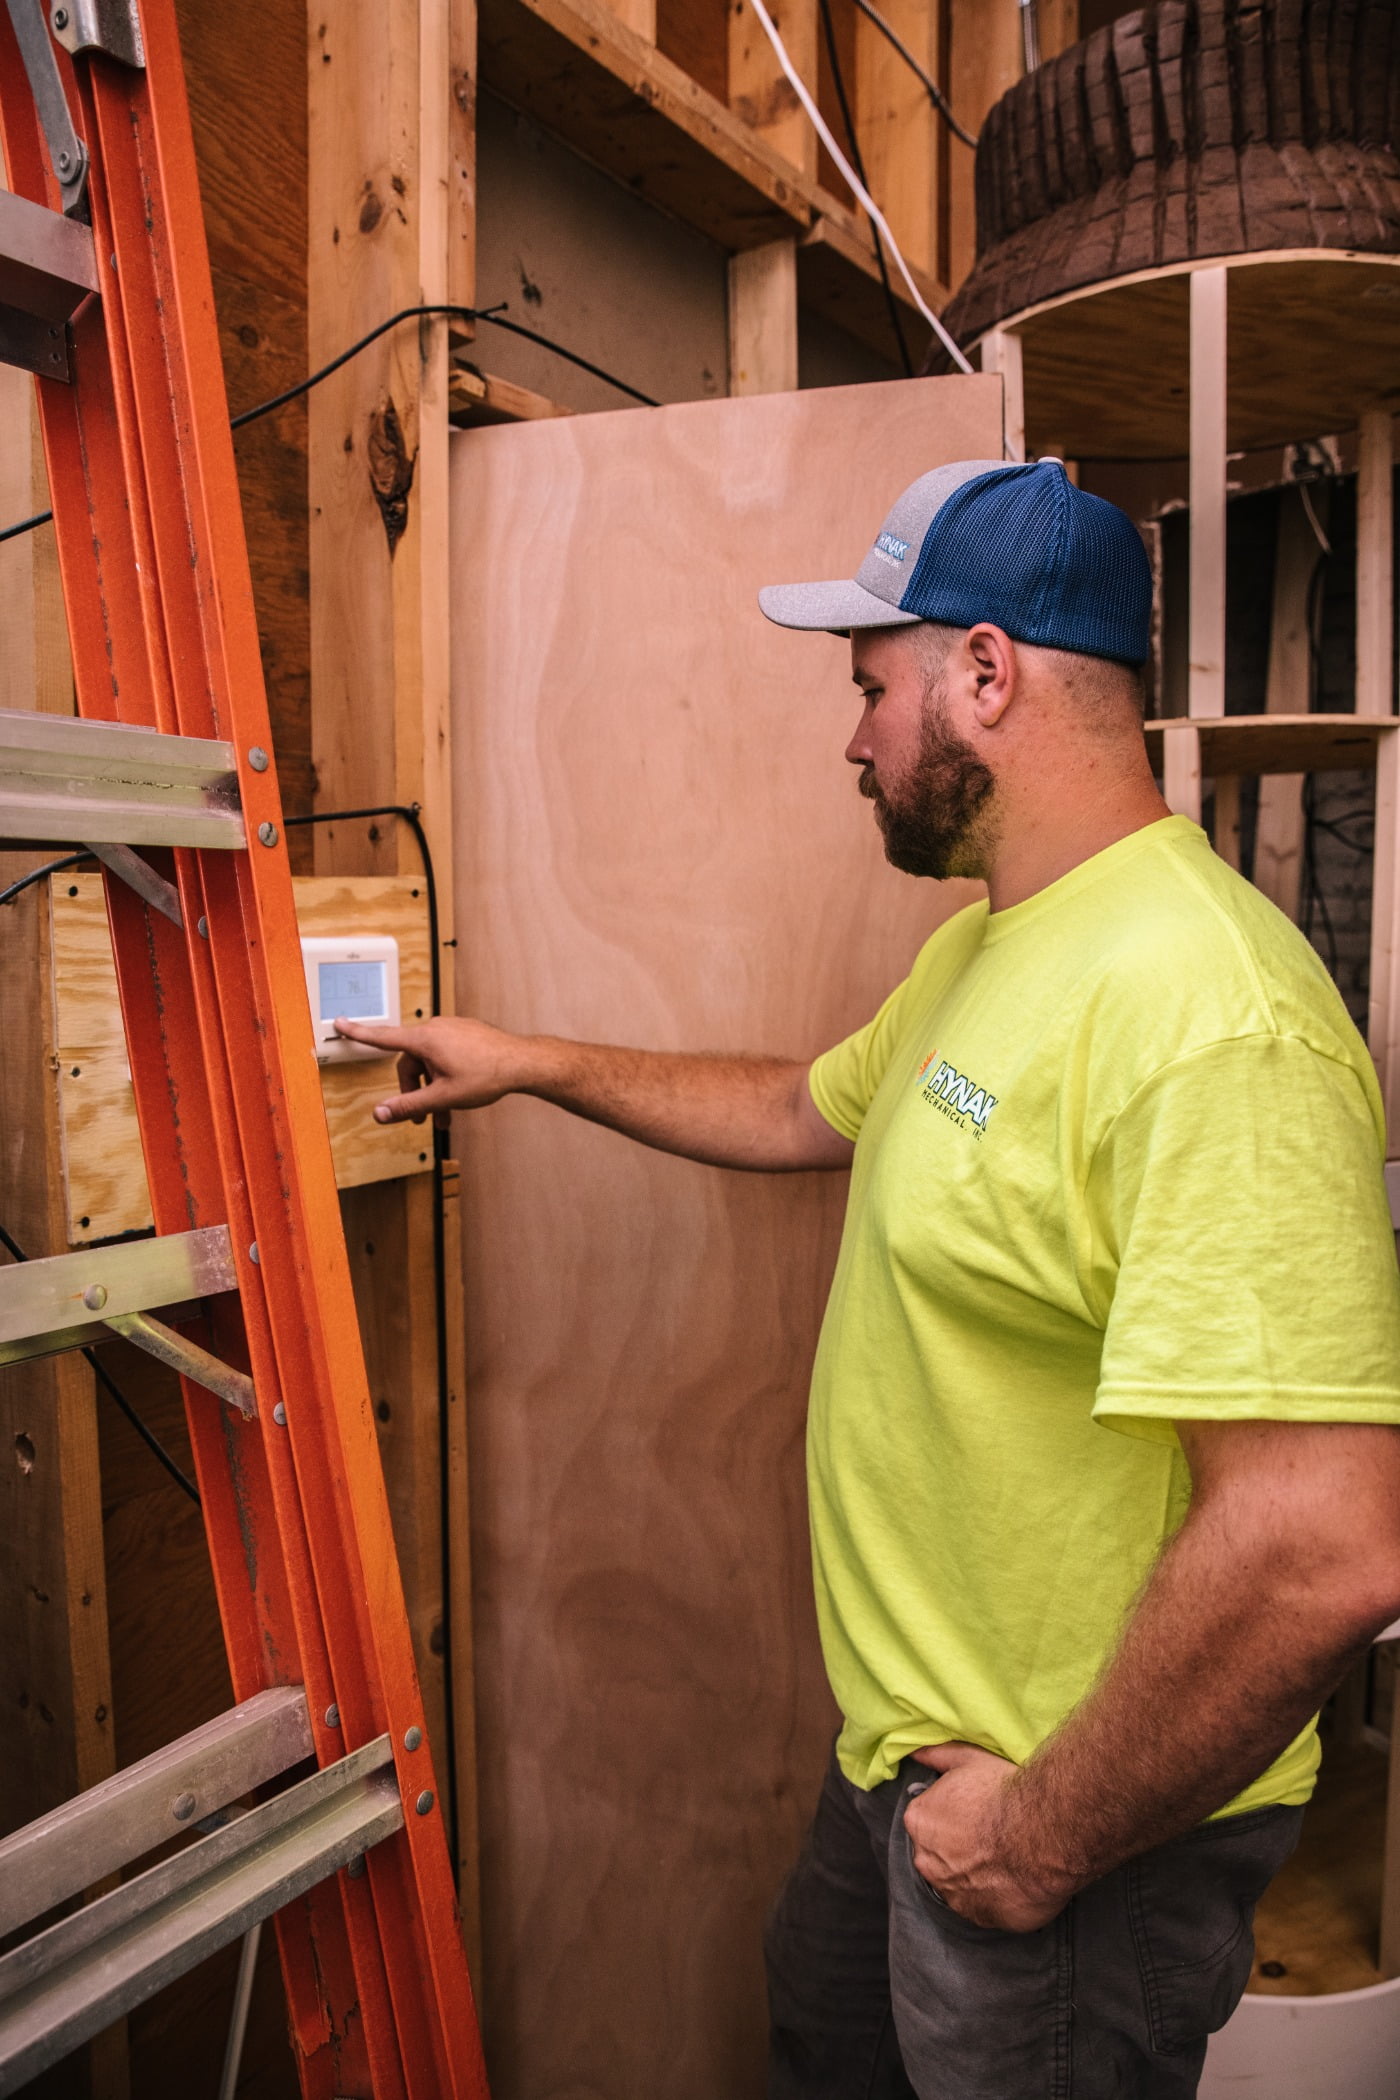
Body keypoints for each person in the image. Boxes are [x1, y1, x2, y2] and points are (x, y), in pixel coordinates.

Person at [335, 458, 1400, 2099]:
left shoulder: (1212, 1020)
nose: (852, 738)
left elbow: (1320, 1548)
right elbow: (801, 1104)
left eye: (869, 687)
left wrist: (1035, 1846)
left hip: (1071, 1831)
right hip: (906, 1771)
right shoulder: (993, 943)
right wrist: (525, 1059)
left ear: (986, 672)